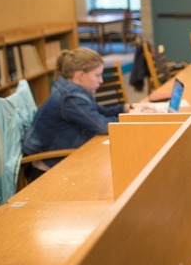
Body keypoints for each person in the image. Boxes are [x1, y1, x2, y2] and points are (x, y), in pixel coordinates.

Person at [23, 48, 148, 179]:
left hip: (64, 152)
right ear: (81, 75)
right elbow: (101, 125)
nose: (101, 81)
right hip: (48, 165)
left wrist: (129, 108)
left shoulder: (73, 90)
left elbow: (101, 112)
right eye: (97, 75)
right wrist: (132, 119)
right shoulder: (70, 97)